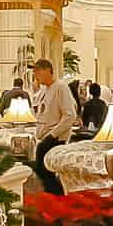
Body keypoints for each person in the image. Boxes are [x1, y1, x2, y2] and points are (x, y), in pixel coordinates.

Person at [29, 57, 77, 194]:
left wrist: (53, 135)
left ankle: (58, 199)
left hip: (54, 139)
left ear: (48, 71)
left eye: (38, 71)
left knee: (46, 173)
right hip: (43, 136)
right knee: (42, 174)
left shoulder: (60, 87)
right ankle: (52, 199)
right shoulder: (44, 90)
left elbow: (70, 115)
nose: (36, 75)